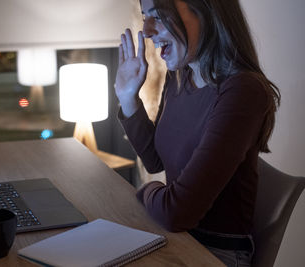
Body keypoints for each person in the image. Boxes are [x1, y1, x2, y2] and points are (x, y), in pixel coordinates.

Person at [115, 0, 281, 266]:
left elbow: (176, 213)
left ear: (206, 10)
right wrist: (128, 99)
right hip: (178, 237)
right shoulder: (180, 76)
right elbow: (156, 160)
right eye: (146, 17)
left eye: (157, 16)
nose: (146, 30)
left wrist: (147, 190)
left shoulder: (242, 91)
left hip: (216, 252)